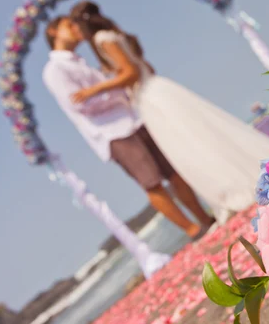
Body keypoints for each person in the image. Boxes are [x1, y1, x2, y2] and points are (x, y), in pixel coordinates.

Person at [68, 1, 269, 222]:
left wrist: (96, 89)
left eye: (74, 27)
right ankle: (239, 179)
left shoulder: (101, 39)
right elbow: (145, 67)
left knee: (189, 144)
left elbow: (130, 72)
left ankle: (232, 188)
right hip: (158, 89)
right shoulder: (113, 34)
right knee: (199, 136)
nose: (75, 33)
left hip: (150, 98)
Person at [42, 15, 214, 238]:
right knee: (151, 182)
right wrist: (114, 91)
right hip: (112, 132)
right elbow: (80, 104)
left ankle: (205, 219)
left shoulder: (80, 62)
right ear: (53, 32)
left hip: (133, 118)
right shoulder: (55, 70)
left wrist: (111, 89)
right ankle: (193, 231)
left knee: (171, 170)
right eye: (69, 25)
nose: (77, 29)